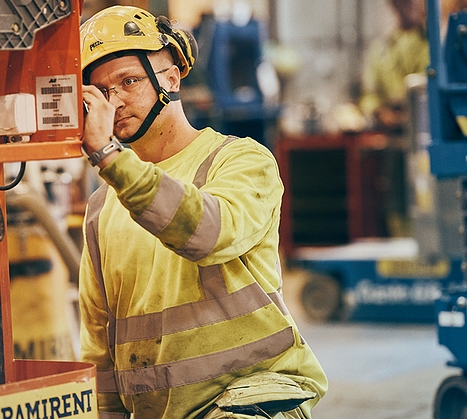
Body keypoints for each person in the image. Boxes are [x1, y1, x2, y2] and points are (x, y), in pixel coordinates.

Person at [77, 6, 327, 419]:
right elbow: (98, 345)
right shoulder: (103, 204)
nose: (114, 102)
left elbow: (208, 233)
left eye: (129, 81)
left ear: (171, 79)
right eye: (100, 91)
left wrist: (108, 156)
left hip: (250, 399)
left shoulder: (241, 160)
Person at [359, 0, 429, 132]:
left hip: (427, 126)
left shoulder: (437, 42)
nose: (410, 5)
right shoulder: (381, 47)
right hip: (391, 133)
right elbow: (369, 94)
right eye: (402, 2)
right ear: (393, 5)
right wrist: (379, 112)